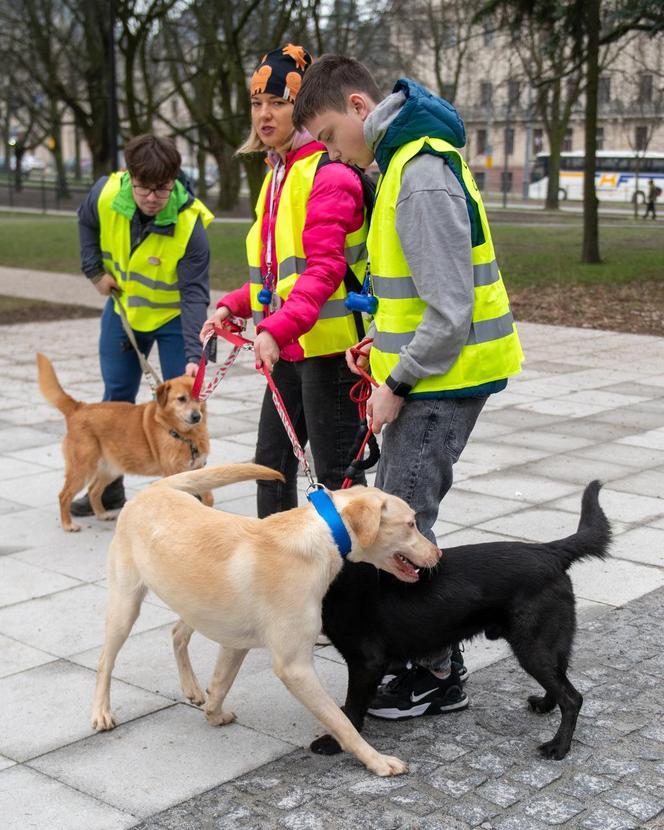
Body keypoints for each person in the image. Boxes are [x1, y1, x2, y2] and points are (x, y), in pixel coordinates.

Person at [293, 55, 524, 719]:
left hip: (444, 382)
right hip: (428, 374)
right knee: (398, 523)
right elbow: (418, 301)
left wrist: (396, 378)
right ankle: (423, 663)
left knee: (403, 530)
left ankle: (435, 674)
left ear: (361, 108)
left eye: (332, 137)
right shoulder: (399, 165)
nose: (334, 153)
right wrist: (384, 347)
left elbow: (451, 311)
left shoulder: (418, 174)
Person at [200, 45, 369, 517]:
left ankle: (352, 589)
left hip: (332, 352)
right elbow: (277, 275)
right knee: (270, 465)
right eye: (257, 103)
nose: (264, 114)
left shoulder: (328, 171)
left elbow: (325, 268)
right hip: (289, 345)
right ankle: (274, 572)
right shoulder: (277, 172)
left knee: (339, 480)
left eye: (278, 101)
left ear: (306, 106)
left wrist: (275, 328)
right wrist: (236, 304)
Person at [73, 134, 213, 517]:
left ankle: (191, 487)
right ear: (129, 176)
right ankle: (111, 487)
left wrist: (192, 352)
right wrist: (94, 271)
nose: (152, 197)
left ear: (174, 180)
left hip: (171, 319)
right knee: (115, 398)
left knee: (184, 396)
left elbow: (195, 295)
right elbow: (85, 222)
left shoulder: (190, 224)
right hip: (125, 312)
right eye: (143, 188)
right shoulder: (105, 194)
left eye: (162, 188)